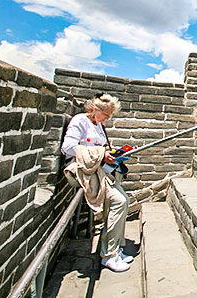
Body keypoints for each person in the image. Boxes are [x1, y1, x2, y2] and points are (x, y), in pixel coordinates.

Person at [61, 93, 132, 272]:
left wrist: (113, 155)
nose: (107, 119)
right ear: (95, 110)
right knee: (118, 201)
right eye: (106, 115)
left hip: (101, 171)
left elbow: (102, 148)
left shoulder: (98, 125)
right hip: (88, 172)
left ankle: (116, 248)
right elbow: (68, 147)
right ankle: (109, 255)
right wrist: (100, 154)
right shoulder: (80, 121)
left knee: (125, 201)